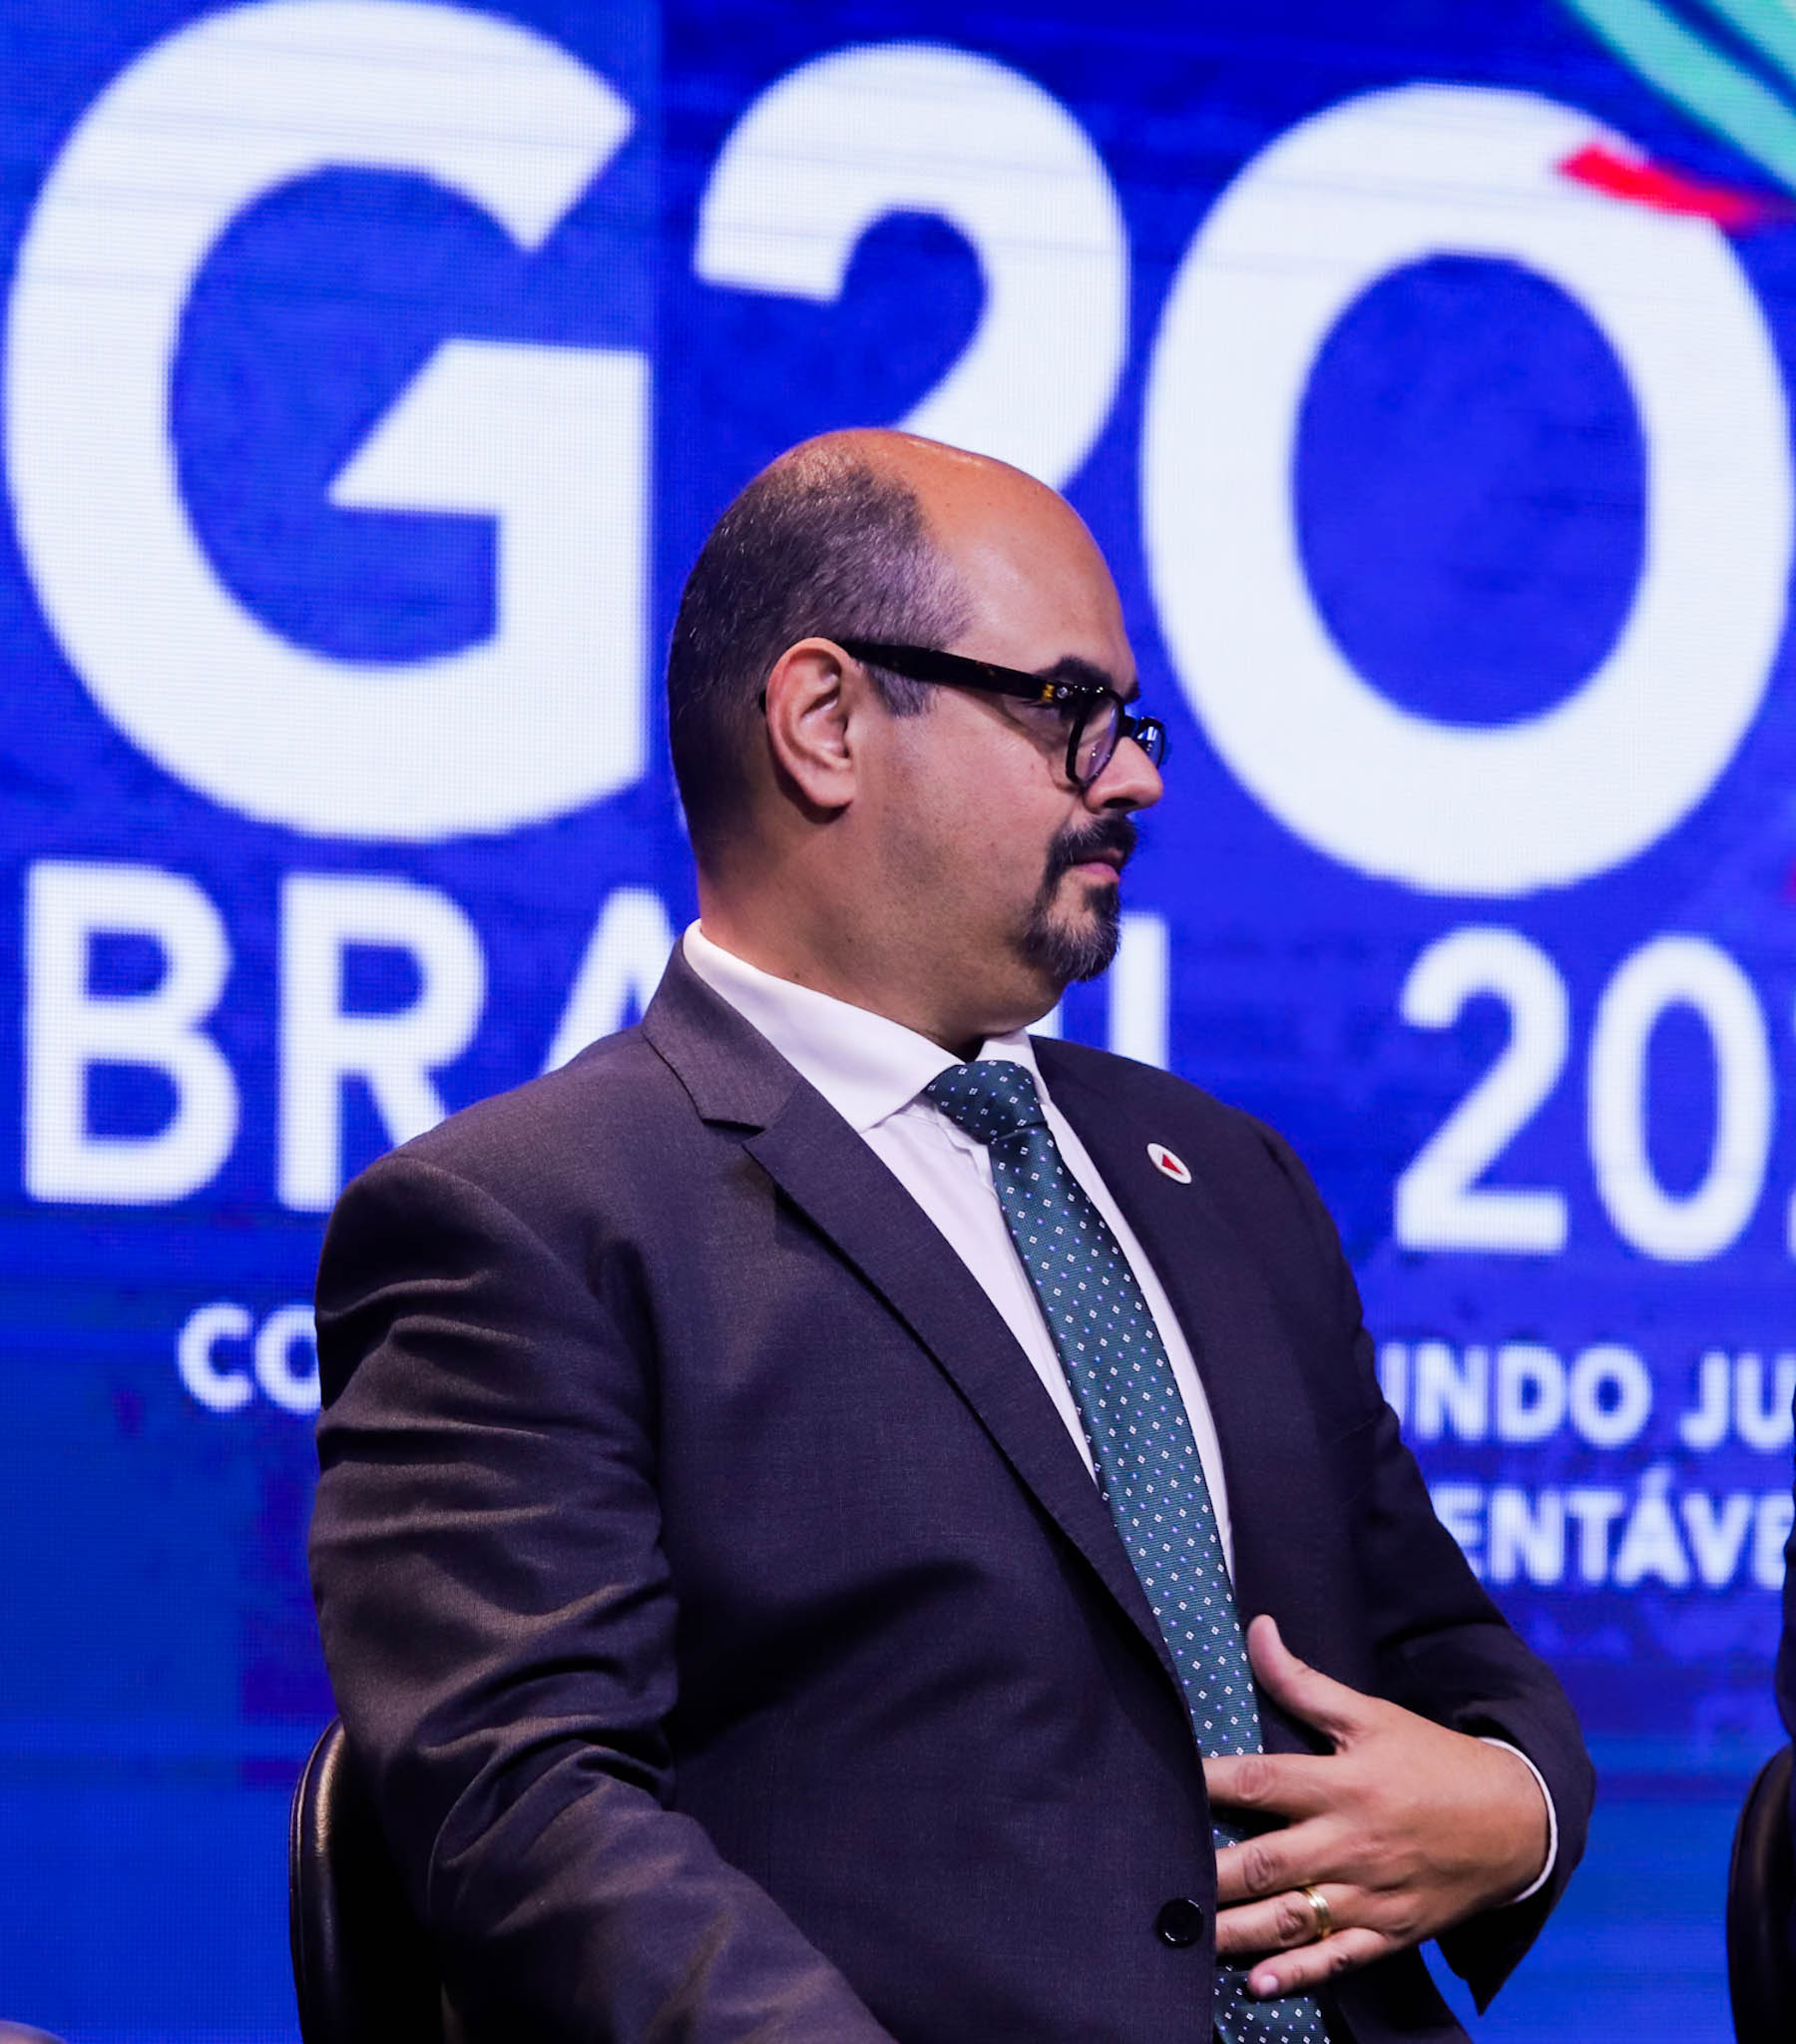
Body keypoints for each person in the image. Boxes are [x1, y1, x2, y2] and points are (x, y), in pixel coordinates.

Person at [309, 430, 1591, 2043]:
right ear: (827, 723)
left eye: (1129, 722)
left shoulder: (1227, 1176)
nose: (1134, 778)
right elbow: (531, 1817)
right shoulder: (526, 1222)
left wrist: (1516, 1809)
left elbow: (1447, 1652)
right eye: (1068, 709)